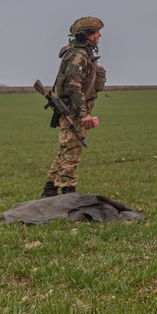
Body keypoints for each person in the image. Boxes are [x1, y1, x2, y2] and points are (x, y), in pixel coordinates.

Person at [42, 16, 107, 197]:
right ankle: (68, 193)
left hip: (74, 110)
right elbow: (74, 85)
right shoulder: (78, 56)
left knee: (67, 150)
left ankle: (50, 189)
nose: (99, 36)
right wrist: (83, 114)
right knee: (72, 152)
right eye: (96, 32)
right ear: (85, 35)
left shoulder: (83, 54)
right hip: (74, 112)